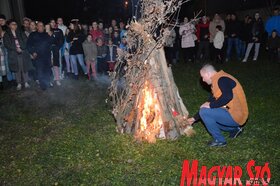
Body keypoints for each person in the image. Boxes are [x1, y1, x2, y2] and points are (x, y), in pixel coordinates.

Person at [188, 64, 249, 147]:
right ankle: (235, 129)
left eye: (203, 77)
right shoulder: (218, 80)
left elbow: (227, 97)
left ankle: (220, 140)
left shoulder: (222, 79)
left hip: (236, 115)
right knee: (208, 114)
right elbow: (210, 101)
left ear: (208, 74)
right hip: (232, 113)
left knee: (205, 112)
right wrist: (194, 118)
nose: (203, 80)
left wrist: (211, 105)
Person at [3, 19, 33, 90]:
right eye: (13, 24)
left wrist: (21, 48)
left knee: (24, 67)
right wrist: (16, 48)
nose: (15, 25)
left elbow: (26, 41)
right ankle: (19, 83)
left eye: (15, 24)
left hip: (23, 52)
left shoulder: (21, 32)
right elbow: (7, 44)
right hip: (14, 54)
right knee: (17, 69)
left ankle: (26, 82)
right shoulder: (7, 34)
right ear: (9, 25)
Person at [27, 21, 54, 90]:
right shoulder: (33, 34)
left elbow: (51, 43)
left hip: (47, 55)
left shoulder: (47, 34)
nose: (41, 27)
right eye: (39, 25)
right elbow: (29, 45)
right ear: (37, 27)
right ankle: (43, 86)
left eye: (42, 25)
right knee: (40, 71)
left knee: (47, 70)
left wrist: (51, 36)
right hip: (38, 56)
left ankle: (47, 83)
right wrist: (33, 52)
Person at [50, 19, 64, 85]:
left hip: (57, 48)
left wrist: (59, 47)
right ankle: (54, 76)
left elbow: (62, 39)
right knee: (51, 63)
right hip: (49, 49)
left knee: (58, 62)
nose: (52, 23)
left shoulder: (59, 30)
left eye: (53, 22)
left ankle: (59, 75)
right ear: (50, 23)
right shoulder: (47, 30)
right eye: (51, 22)